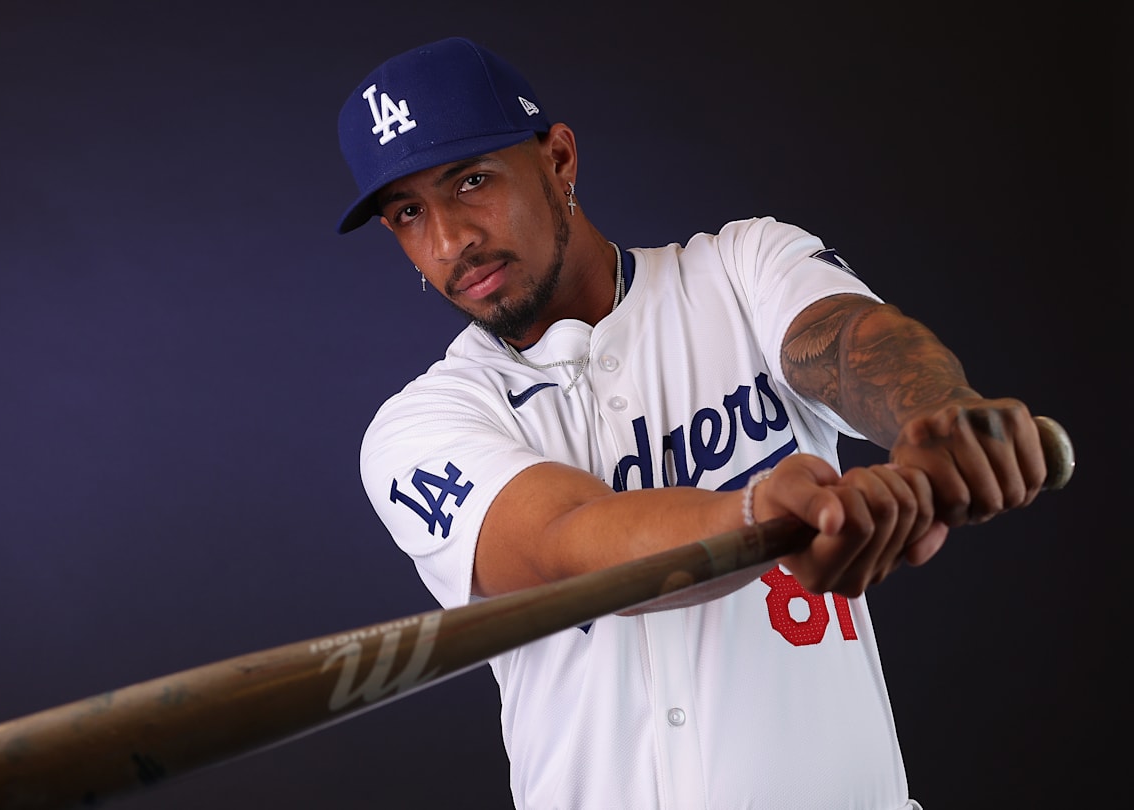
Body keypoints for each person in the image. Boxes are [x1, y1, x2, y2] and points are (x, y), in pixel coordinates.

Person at [334, 37, 1048, 809]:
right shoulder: (418, 426)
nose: (449, 241)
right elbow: (567, 548)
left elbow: (845, 341)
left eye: (470, 181)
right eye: (409, 212)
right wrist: (753, 511)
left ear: (559, 160)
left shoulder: (741, 269)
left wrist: (935, 411)